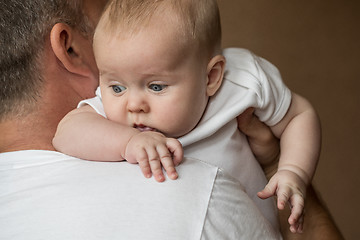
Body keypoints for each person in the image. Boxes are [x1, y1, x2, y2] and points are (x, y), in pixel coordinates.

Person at [0, 0, 343, 239]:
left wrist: (291, 170)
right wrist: (129, 142)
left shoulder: (243, 83)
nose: (134, 105)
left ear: (211, 78)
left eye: (157, 86)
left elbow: (300, 114)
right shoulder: (114, 114)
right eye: (116, 85)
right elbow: (67, 134)